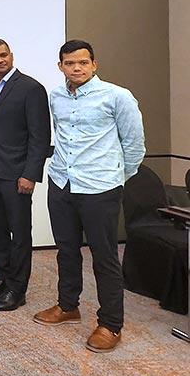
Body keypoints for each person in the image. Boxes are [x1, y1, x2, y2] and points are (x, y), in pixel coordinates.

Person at [34, 40, 145, 353]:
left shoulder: (117, 96)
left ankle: (110, 324)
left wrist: (114, 178)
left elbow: (134, 146)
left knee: (104, 256)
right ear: (61, 67)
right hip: (62, 182)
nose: (77, 68)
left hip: (100, 188)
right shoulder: (56, 96)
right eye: (70, 63)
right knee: (66, 250)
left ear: (94, 64)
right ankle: (68, 306)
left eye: (83, 62)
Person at [0, 38, 51, 311]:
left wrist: (30, 174)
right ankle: (1, 279)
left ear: (12, 56)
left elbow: (40, 136)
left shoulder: (31, 88)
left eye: (3, 55)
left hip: (17, 173)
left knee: (19, 233)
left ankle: (17, 289)